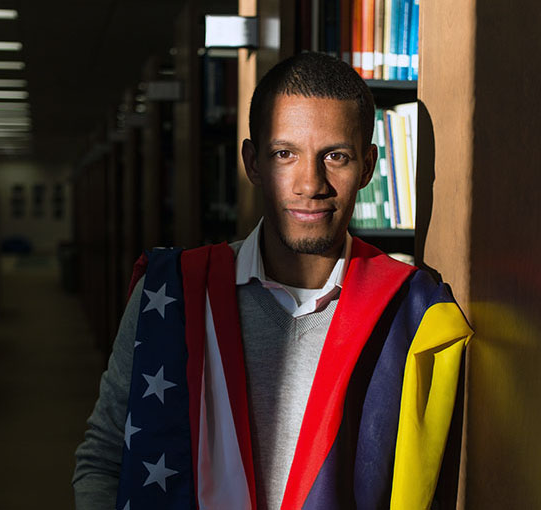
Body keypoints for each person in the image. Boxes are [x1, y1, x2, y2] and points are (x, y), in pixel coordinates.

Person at [73, 52, 473, 510]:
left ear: (367, 167)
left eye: (336, 156)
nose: (310, 183)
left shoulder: (410, 314)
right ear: (253, 163)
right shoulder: (172, 294)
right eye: (286, 154)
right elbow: (104, 458)